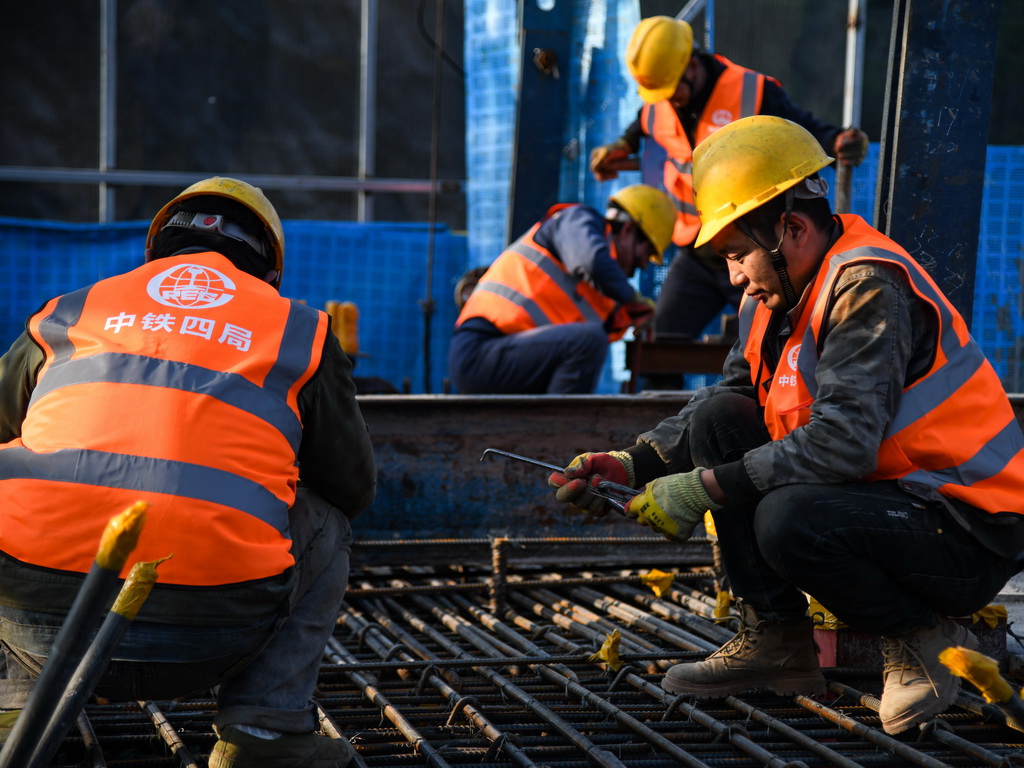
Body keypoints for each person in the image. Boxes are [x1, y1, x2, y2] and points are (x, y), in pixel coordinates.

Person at [551, 116, 1024, 735]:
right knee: (723, 419)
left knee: (787, 520)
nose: (735, 277)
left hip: (965, 527)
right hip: (890, 506)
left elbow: (843, 442)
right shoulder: (770, 298)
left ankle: (921, 641)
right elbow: (725, 400)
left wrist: (704, 488)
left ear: (792, 229)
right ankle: (777, 643)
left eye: (737, 254)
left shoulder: (865, 287)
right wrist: (633, 463)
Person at [0, 177, 376, 767]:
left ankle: (14, 708)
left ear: (155, 252)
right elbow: (352, 487)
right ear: (270, 270)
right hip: (215, 634)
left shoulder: (72, 310)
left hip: (35, 630)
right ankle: (267, 732)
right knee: (325, 519)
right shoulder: (299, 331)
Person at [590, 15, 869, 348]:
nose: (666, 99)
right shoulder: (659, 102)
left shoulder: (752, 92)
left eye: (671, 89)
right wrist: (622, 145)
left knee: (777, 344)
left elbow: (799, 128)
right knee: (660, 342)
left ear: (691, 67)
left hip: (752, 247)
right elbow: (643, 122)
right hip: (699, 248)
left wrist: (837, 141)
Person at [449, 184, 676, 394]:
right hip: (480, 353)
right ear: (627, 230)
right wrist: (632, 298)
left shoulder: (603, 296)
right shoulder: (577, 221)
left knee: (590, 341)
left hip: (513, 361)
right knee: (589, 341)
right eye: (646, 253)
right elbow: (592, 262)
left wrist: (629, 316)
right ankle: (562, 433)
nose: (644, 264)